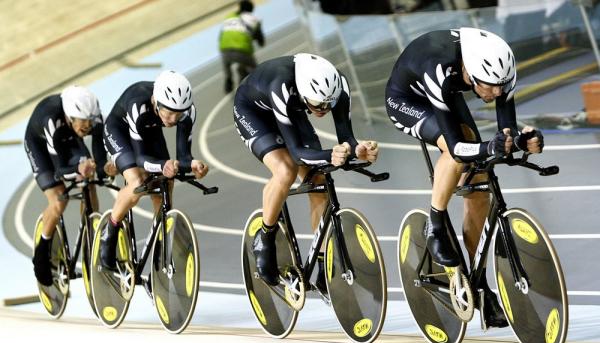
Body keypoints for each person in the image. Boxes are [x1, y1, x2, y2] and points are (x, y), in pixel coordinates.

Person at [385, 28, 544, 328]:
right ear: (470, 72)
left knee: (479, 183)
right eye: (490, 87)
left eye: (502, 87)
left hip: (447, 92)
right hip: (407, 100)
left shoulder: (500, 70)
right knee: (457, 149)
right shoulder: (438, 68)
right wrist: (485, 147)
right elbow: (458, 147)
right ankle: (435, 226)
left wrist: (523, 141)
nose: (497, 93)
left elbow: (505, 131)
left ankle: (479, 284)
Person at [233, 53, 379, 294]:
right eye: (318, 105)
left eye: (328, 105)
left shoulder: (337, 86)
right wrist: (331, 154)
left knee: (319, 180)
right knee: (286, 170)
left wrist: (359, 150)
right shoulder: (280, 84)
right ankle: (265, 238)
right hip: (254, 114)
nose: (323, 110)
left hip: (292, 109)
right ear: (302, 90)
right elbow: (297, 153)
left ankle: (322, 266)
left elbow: (347, 139)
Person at [99, 70, 209, 273]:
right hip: (120, 131)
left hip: (149, 129)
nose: (173, 119)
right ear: (155, 101)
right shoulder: (138, 105)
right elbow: (141, 158)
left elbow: (183, 156)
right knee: (137, 181)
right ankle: (110, 232)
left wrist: (192, 164)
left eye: (179, 114)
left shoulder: (186, 112)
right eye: (169, 112)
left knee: (166, 182)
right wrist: (162, 165)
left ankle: (160, 243)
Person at [25, 85, 111, 286]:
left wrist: (101, 169)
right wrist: (79, 169)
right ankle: (42, 250)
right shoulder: (51, 120)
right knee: (58, 200)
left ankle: (90, 235)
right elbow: (60, 170)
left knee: (89, 184)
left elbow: (99, 158)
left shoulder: (94, 119)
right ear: (70, 117)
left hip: (68, 138)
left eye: (90, 125)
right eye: (84, 126)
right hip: (41, 147)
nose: (88, 128)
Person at [219, 0, 265, 93]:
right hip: (242, 50)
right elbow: (261, 41)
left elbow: (221, 35)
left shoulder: (229, 17)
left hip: (224, 49)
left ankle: (228, 78)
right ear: (251, 10)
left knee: (228, 63)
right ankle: (257, 88)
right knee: (255, 71)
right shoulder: (254, 20)